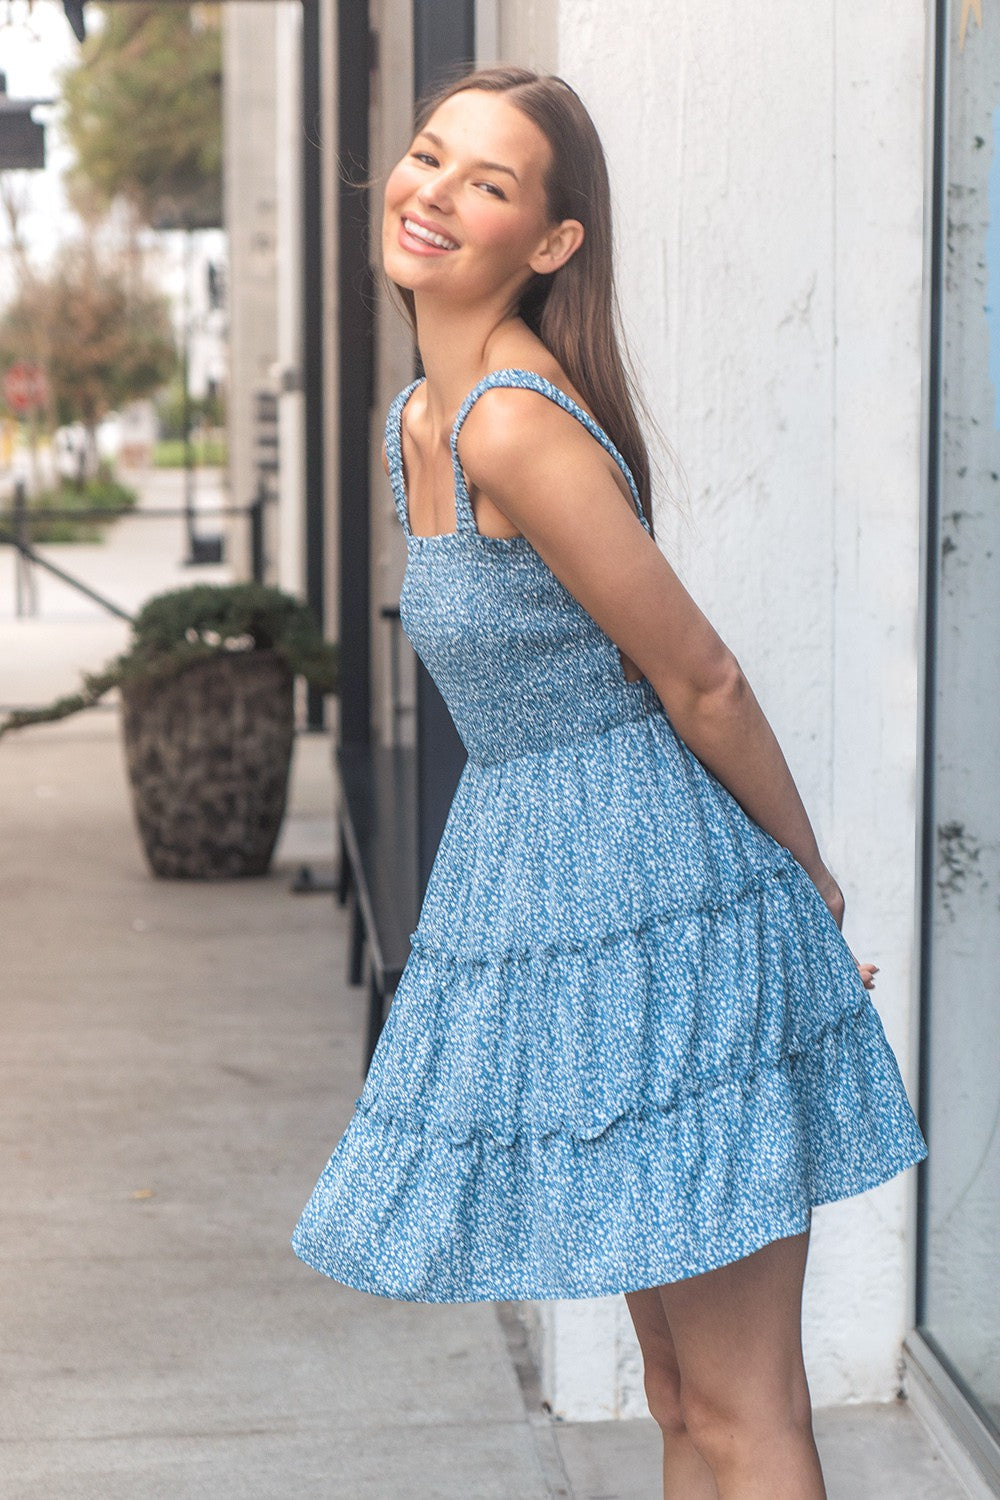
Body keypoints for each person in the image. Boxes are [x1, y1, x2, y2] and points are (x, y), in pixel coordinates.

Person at [292, 66, 927, 1499]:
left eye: (490, 184)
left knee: (745, 1404)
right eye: (430, 159)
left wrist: (808, 884)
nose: (435, 194)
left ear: (552, 242)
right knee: (674, 1390)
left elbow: (700, 678)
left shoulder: (514, 421)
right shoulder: (421, 423)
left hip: (665, 912)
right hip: (556, 911)